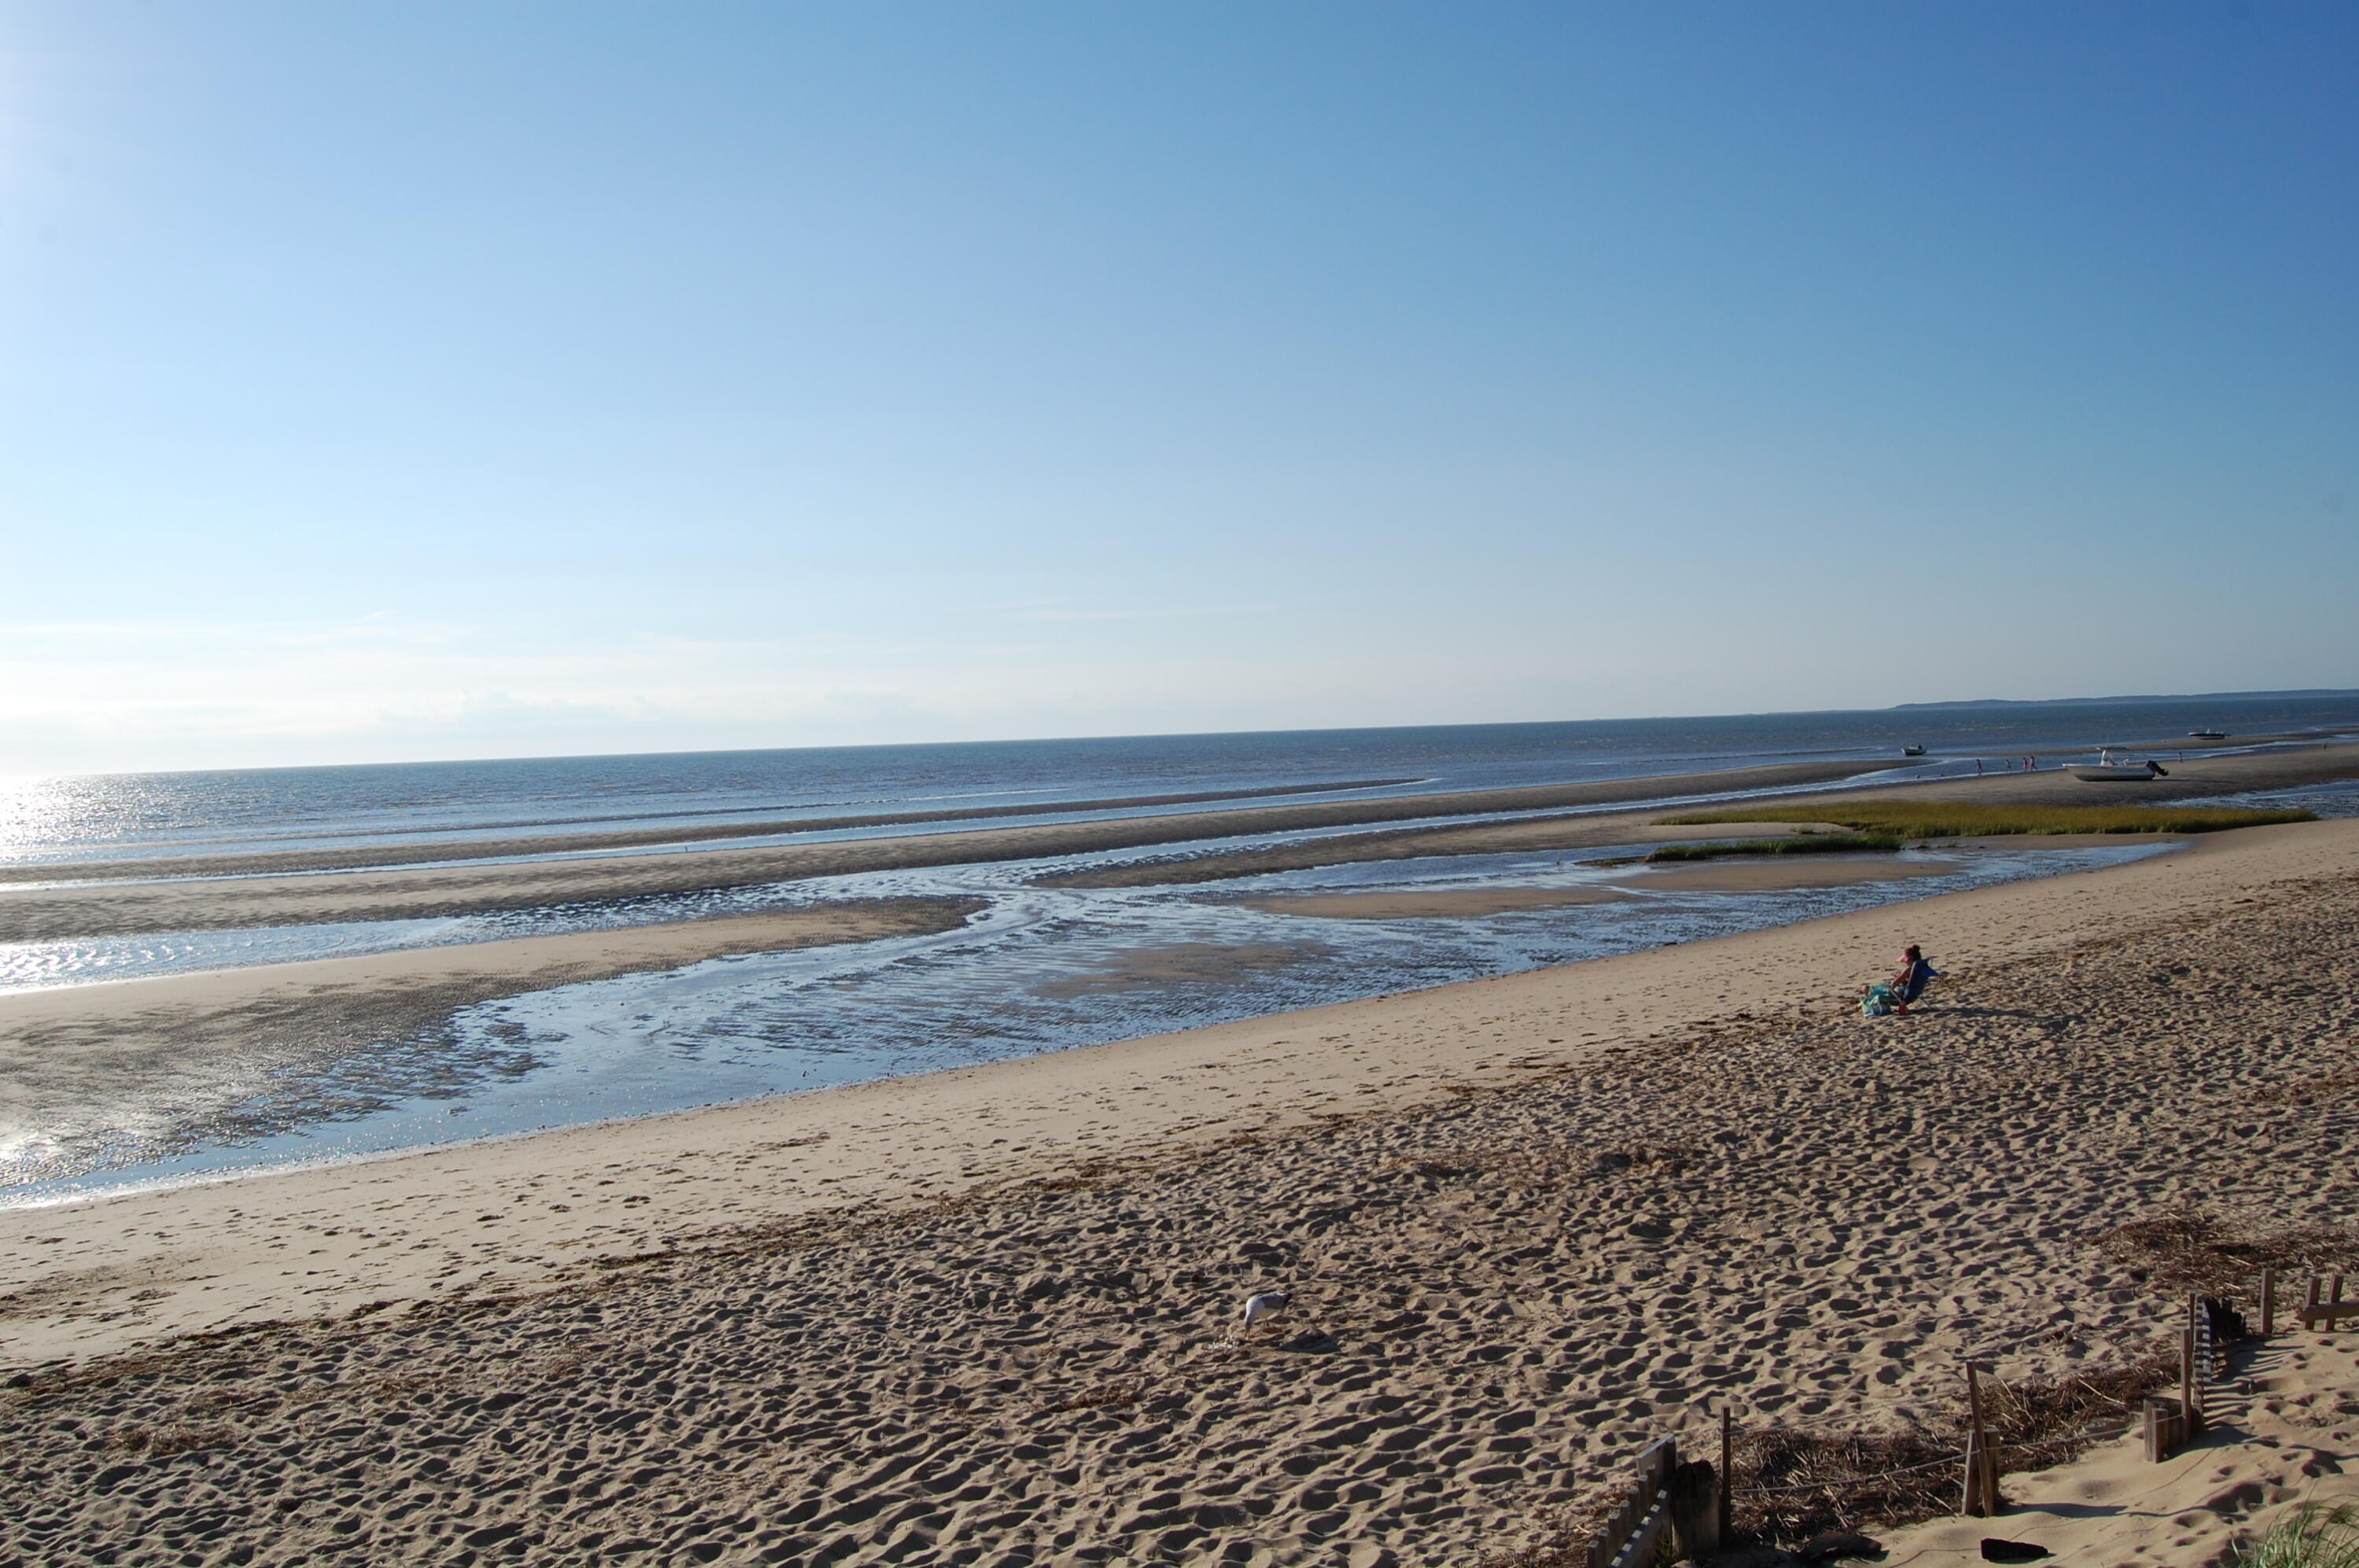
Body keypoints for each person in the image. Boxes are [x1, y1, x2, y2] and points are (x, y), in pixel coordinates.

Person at [1887, 944, 1938, 1011]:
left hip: (1905, 997)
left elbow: (1894, 984)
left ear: (1910, 959)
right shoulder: (1921, 968)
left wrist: (1892, 987)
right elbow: (1913, 982)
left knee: (1882, 991)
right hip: (1917, 994)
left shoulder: (1908, 970)